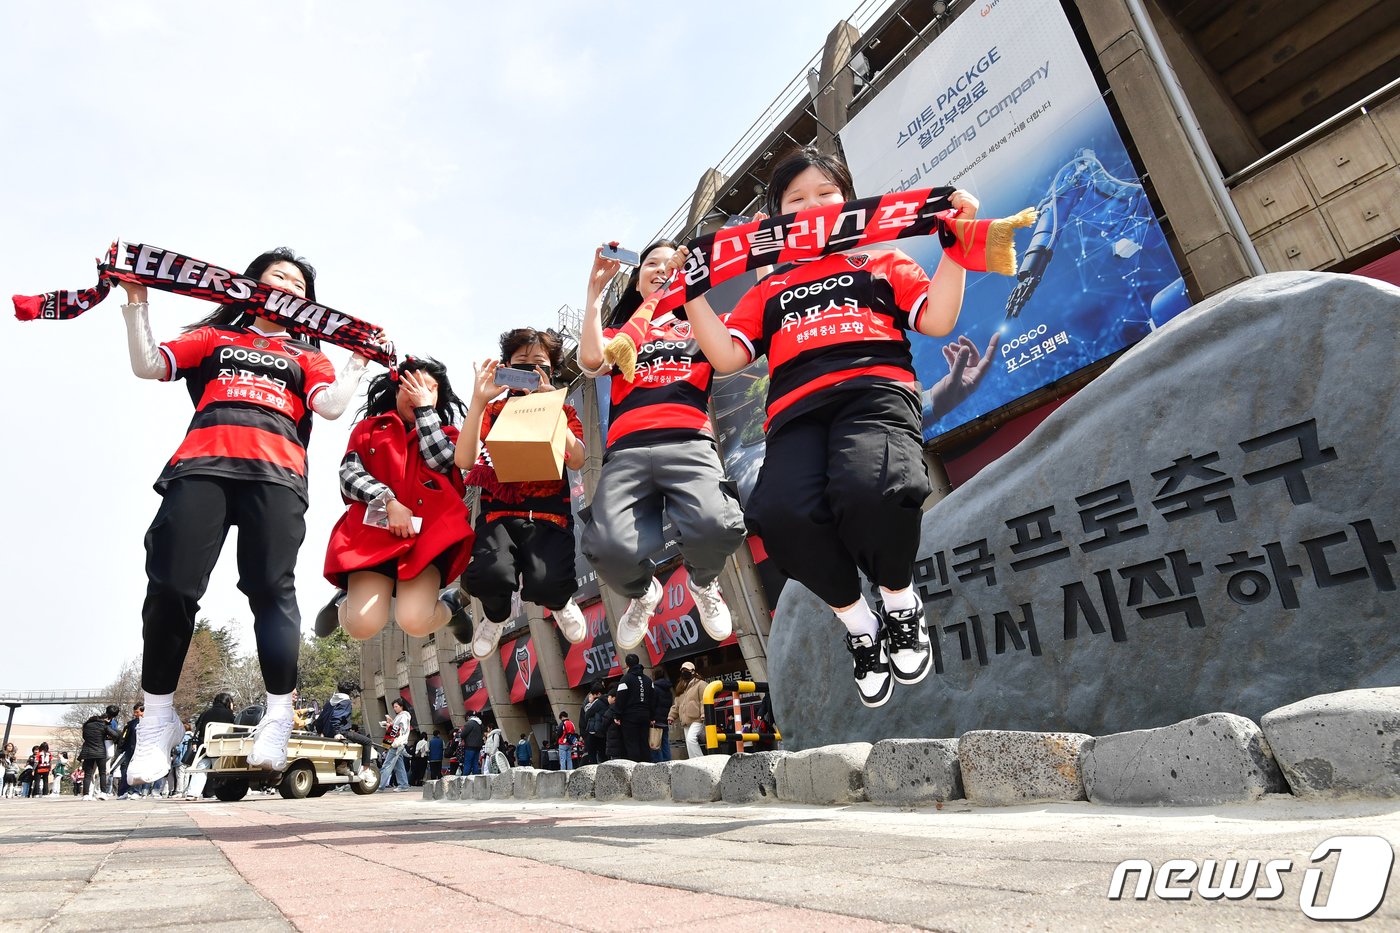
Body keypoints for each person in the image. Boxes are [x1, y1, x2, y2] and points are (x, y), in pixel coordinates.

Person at [675, 147, 991, 709]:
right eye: (795, 200)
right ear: (777, 219)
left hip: (875, 394)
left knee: (876, 489)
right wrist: (692, 293)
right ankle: (859, 624)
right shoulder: (767, 290)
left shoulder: (885, 263)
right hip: (793, 415)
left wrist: (957, 240)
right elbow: (726, 356)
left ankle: (899, 602)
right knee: (780, 515)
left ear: (848, 201)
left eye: (825, 193)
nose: (812, 206)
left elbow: (937, 319)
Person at [117, 248, 377, 782]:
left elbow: (329, 407)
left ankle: (279, 715)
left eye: (300, 285)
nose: (288, 285)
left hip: (276, 475)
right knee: (170, 586)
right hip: (201, 466)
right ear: (251, 285)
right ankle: (158, 719)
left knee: (270, 588)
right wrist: (136, 302)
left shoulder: (309, 356)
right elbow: (149, 364)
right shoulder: (217, 338)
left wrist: (358, 360)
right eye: (278, 276)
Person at [578, 243, 747, 650]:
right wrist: (594, 293)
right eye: (649, 263)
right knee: (606, 547)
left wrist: (693, 286)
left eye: (669, 262)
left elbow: (730, 353)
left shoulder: (701, 325)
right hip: (627, 450)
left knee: (718, 524)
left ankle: (703, 583)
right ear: (636, 282)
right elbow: (589, 361)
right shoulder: (625, 334)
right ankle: (643, 593)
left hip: (689, 440)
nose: (659, 268)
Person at [316, 357, 474, 642]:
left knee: (415, 620)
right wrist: (387, 501)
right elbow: (349, 475)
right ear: (396, 389)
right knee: (362, 626)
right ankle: (344, 601)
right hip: (372, 536)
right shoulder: (369, 429)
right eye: (411, 386)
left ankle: (450, 607)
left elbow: (441, 461)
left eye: (428, 389)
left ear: (438, 396)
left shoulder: (450, 435)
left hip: (427, 540)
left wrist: (425, 409)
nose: (418, 392)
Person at [456, 328, 587, 660]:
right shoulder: (492, 411)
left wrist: (551, 404)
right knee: (488, 575)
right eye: (521, 362)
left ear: (552, 369)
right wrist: (478, 400)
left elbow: (578, 458)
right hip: (499, 514)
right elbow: (464, 460)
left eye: (538, 362)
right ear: (507, 367)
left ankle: (560, 602)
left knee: (548, 583)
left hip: (549, 514)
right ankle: (495, 615)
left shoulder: (563, 410)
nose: (530, 368)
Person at [313, 683, 374, 783]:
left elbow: (320, 720)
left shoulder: (330, 702)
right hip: (341, 731)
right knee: (367, 741)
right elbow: (336, 717)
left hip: (327, 732)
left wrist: (320, 732)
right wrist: (337, 732)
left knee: (351, 742)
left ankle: (343, 765)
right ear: (350, 692)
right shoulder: (345, 702)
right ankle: (365, 770)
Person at [612, 654, 653, 763]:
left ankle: (635, 768)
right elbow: (653, 699)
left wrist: (617, 715)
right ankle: (647, 766)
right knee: (644, 742)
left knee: (632, 743)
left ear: (627, 664)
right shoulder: (648, 680)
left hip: (629, 717)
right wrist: (652, 715)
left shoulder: (625, 679)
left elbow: (620, 698)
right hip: (645, 715)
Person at [668, 661, 710, 759]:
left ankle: (700, 760)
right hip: (686, 720)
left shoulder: (701, 684)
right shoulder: (681, 686)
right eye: (682, 670)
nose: (684, 672)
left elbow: (704, 700)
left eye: (686, 670)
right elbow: (676, 704)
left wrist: (704, 714)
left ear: (693, 671)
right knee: (688, 741)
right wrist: (671, 716)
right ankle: (693, 761)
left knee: (691, 739)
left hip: (698, 718)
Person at [80, 706, 121, 800]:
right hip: (100, 751)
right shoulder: (104, 725)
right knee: (103, 773)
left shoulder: (87, 725)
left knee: (88, 774)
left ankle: (86, 795)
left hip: (88, 751)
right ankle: (103, 793)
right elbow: (115, 735)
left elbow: (84, 737)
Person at [379, 698, 412, 791]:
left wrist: (390, 725)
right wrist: (391, 723)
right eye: (394, 707)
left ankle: (380, 785)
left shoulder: (404, 716)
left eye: (396, 706)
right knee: (399, 765)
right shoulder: (402, 716)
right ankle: (403, 785)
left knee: (387, 764)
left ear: (401, 706)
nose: (395, 709)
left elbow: (401, 729)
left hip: (397, 743)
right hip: (398, 743)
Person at [581, 682, 609, 767]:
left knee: (592, 754)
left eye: (593, 694)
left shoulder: (597, 702)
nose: (592, 696)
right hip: (603, 732)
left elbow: (587, 714)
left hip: (594, 731)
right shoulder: (607, 700)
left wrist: (590, 702)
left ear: (599, 694)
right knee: (603, 754)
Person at [650, 670, 675, 762]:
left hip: (656, 720)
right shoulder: (668, 690)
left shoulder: (654, 688)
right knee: (665, 742)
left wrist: (651, 717)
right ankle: (668, 761)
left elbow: (652, 704)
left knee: (655, 743)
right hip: (665, 719)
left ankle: (659, 764)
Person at [458, 712, 484, 776]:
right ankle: (476, 778)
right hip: (478, 746)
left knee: (468, 763)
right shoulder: (480, 723)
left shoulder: (469, 723)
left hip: (470, 746)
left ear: (468, 716)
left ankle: (465, 779)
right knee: (475, 763)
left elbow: (462, 734)